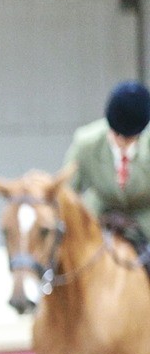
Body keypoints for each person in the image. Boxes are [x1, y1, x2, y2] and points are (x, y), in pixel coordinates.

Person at [65, 81, 150, 264]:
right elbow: (67, 192)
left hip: (145, 219)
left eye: (128, 137)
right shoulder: (86, 142)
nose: (121, 141)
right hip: (100, 215)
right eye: (116, 133)